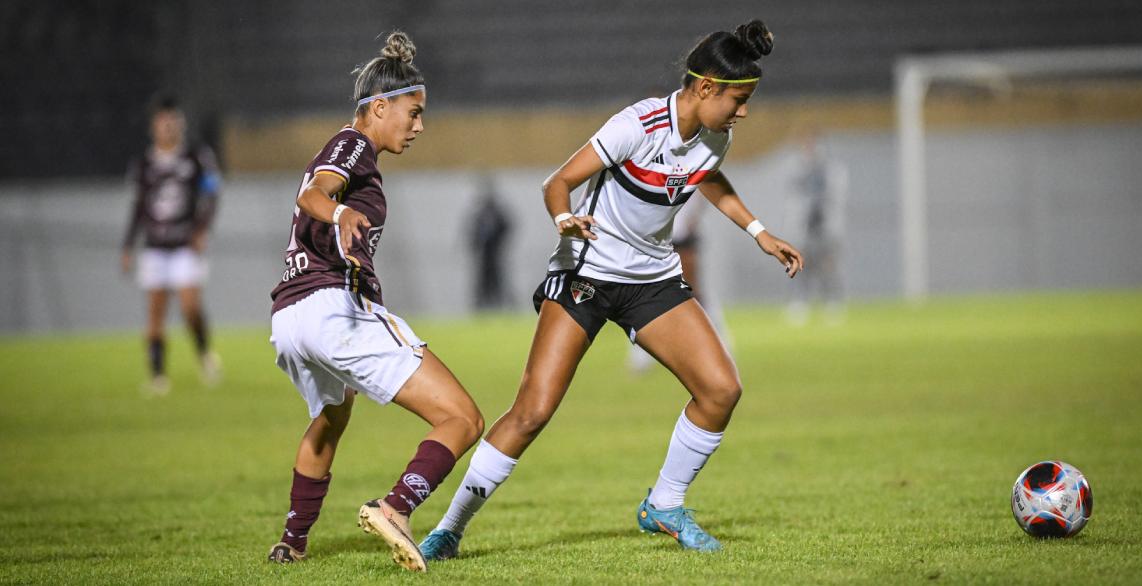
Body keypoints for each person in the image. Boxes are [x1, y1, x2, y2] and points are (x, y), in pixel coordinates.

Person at [419, 20, 803, 559]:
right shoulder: (637, 125)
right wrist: (562, 220)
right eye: (738, 100)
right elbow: (558, 182)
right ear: (707, 88)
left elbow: (707, 175)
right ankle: (449, 529)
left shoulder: (717, 136)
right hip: (588, 275)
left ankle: (665, 504)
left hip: (652, 280)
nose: (743, 112)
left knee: (721, 390)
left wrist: (759, 232)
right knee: (533, 410)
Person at [265, 32, 484, 572]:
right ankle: (397, 507)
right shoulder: (353, 143)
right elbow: (313, 194)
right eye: (412, 112)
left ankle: (292, 542)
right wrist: (339, 215)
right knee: (462, 418)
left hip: (290, 318)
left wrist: (353, 249)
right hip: (328, 308)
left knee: (331, 418)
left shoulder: (357, 154)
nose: (419, 125)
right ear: (379, 107)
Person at [120, 95, 222, 395]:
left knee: (190, 307)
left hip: (184, 246)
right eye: (162, 121)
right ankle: (158, 376)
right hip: (154, 248)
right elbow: (138, 208)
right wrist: (128, 246)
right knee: (155, 313)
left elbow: (212, 196)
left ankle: (204, 354)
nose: (168, 126)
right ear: (154, 127)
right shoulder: (143, 164)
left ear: (180, 124)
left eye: (172, 120)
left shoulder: (196, 157)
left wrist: (202, 230)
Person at [627, 194, 732, 372]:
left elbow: (703, 190)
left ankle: (720, 341)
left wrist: (692, 221)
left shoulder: (690, 169)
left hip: (681, 234)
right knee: (646, 291)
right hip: (654, 236)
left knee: (693, 290)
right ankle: (642, 350)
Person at [780, 126, 847, 325]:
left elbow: (836, 196)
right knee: (801, 265)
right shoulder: (798, 168)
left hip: (825, 228)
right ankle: (800, 303)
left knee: (828, 266)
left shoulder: (831, 170)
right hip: (805, 228)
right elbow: (793, 197)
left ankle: (833, 303)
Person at [466, 178, 513, 310]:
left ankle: (500, 305)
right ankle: (481, 305)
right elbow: (473, 232)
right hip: (484, 254)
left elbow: (507, 226)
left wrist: (498, 241)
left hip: (494, 253)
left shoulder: (497, 213)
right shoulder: (480, 214)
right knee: (482, 281)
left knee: (497, 280)